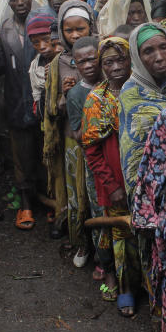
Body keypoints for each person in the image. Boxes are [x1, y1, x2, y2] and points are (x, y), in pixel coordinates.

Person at [0, 0, 50, 230]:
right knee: (21, 153)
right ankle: (25, 204)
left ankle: (48, 200)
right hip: (15, 100)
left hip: (41, 100)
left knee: (45, 150)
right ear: (8, 2)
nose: (20, 3)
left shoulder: (43, 23)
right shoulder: (4, 30)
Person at [82, 37, 131, 303]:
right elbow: (92, 150)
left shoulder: (140, 90)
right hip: (113, 180)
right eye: (108, 62)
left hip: (141, 178)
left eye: (120, 59)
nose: (115, 67)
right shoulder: (96, 100)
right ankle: (121, 283)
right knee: (116, 232)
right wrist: (111, 186)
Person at [42, 0, 95, 244]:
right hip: (71, 136)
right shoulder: (57, 63)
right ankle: (79, 238)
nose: (74, 35)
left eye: (80, 29)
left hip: (100, 132)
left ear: (90, 27)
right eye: (68, 30)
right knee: (76, 187)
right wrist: (64, 96)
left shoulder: (100, 53)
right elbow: (51, 110)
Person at [119, 24, 166, 197]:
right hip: (150, 185)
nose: (159, 57)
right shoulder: (131, 93)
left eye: (163, 47)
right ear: (137, 57)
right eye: (148, 51)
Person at [65, 35, 102, 267]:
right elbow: (78, 134)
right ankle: (101, 257)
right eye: (82, 62)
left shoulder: (115, 83)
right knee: (96, 208)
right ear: (75, 65)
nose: (88, 65)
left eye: (92, 59)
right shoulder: (76, 95)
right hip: (94, 160)